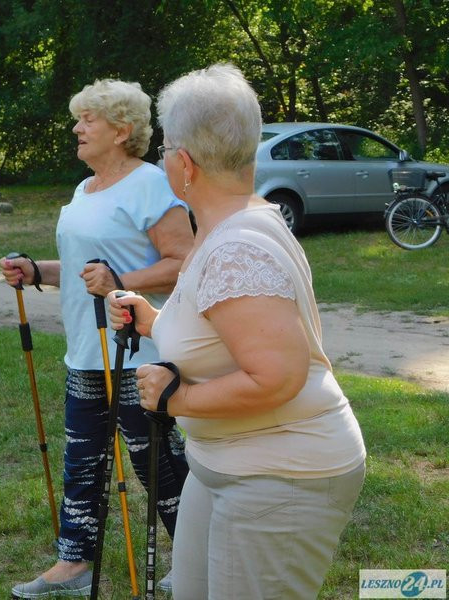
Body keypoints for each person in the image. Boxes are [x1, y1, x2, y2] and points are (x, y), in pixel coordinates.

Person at [108, 63, 366, 599]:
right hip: (224, 464)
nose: (161, 161)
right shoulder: (231, 223)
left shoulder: (235, 249)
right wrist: (154, 320)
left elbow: (277, 376)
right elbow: (222, 327)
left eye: (164, 150)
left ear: (184, 163)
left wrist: (176, 398)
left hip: (281, 475)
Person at [0, 79, 194, 598]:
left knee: (158, 461)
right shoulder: (84, 189)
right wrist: (37, 271)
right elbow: (87, 271)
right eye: (78, 118)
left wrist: (121, 282)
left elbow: (185, 263)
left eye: (88, 119)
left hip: (139, 350)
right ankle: (73, 563)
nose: (76, 128)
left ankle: (196, 556)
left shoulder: (151, 184)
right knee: (82, 460)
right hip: (87, 351)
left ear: (122, 130)